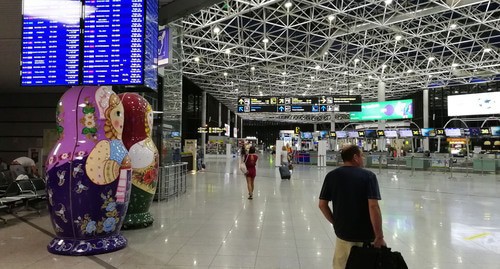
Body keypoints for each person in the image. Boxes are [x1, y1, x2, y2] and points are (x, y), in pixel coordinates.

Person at [318, 145, 386, 269]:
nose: (363, 158)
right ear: (355, 157)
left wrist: (335, 222)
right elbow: (373, 207)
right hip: (365, 237)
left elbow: (322, 205)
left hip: (343, 235)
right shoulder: (368, 176)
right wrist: (379, 236)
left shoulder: (331, 176)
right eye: (362, 155)